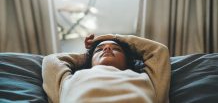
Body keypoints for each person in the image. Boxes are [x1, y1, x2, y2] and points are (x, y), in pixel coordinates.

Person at [42, 34, 171, 103]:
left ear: (128, 61)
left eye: (116, 49)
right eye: (100, 50)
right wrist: (87, 56)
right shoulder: (71, 80)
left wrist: (110, 37)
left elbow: (159, 51)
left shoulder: (145, 79)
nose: (107, 48)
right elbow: (51, 60)